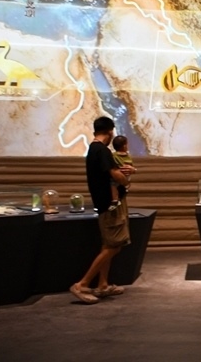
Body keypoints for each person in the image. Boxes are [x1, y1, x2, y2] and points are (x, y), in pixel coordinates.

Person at [69, 116, 133, 304]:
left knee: (108, 245)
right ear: (109, 131)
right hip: (110, 206)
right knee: (114, 246)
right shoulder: (102, 151)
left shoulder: (93, 149)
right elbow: (115, 175)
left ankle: (102, 285)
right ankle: (82, 284)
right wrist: (126, 179)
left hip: (105, 204)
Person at [109, 135, 136, 211]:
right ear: (124, 146)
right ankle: (125, 189)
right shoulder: (128, 156)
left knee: (113, 185)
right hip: (127, 176)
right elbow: (131, 165)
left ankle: (115, 200)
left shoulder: (113, 155)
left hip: (118, 176)